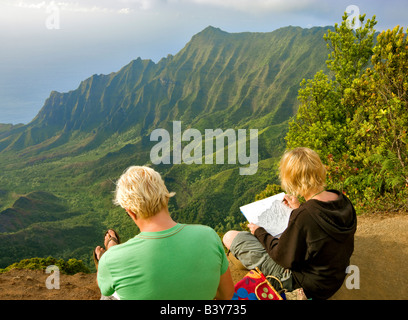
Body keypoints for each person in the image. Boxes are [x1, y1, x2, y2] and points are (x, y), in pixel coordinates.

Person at [223, 147, 357, 300]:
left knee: (230, 237)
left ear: (292, 180)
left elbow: (283, 258)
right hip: (334, 279)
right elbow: (319, 225)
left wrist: (259, 231)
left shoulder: (304, 216)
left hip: (306, 285)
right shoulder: (341, 199)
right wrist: (299, 208)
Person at [93, 166, 234, 300]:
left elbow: (105, 289)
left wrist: (109, 257)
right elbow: (226, 295)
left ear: (130, 212)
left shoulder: (111, 260)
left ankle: (111, 248)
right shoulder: (208, 236)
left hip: (113, 261)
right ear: (166, 197)